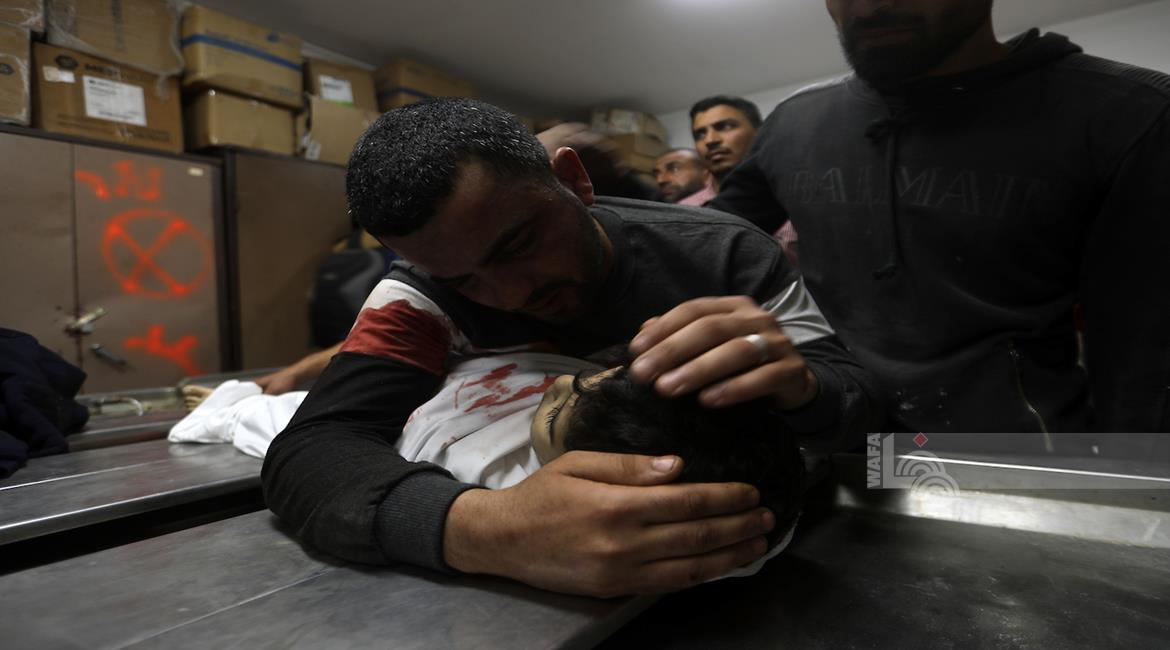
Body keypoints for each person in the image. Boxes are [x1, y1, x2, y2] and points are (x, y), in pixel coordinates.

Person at [263, 97, 882, 597]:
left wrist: (805, 387)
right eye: (465, 280)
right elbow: (314, 447)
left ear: (573, 180)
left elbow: (859, 408)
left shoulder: (729, 257)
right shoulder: (421, 293)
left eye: (518, 245)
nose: (511, 294)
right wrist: (484, 530)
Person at [711, 0, 1170, 439]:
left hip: (1021, 457)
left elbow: (1145, 361)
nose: (869, 8)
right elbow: (699, 242)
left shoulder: (1126, 114)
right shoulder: (794, 124)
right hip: (838, 439)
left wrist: (1131, 481)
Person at [175, 351, 805, 576]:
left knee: (264, 417)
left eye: (554, 417)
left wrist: (237, 408)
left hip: (383, 413)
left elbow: (307, 445)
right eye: (591, 378)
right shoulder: (603, 386)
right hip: (400, 382)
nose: (562, 384)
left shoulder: (491, 476)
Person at [690, 95, 799, 265]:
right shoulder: (683, 210)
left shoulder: (799, 192)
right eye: (700, 134)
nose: (710, 140)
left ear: (759, 132)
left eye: (725, 126)